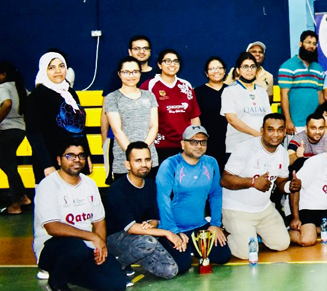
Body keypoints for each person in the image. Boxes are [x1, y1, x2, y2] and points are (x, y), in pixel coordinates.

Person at [33, 138, 129, 291]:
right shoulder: (48, 185)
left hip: (84, 249)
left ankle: (70, 273)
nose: (77, 160)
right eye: (70, 156)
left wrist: (101, 246)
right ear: (59, 159)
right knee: (74, 247)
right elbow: (52, 227)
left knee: (117, 284)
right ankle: (56, 283)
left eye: (81, 155)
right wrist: (92, 237)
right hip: (52, 248)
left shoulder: (89, 184)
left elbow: (99, 221)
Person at [220, 114, 300, 259]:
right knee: (248, 253)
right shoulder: (245, 148)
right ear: (262, 130)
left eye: (280, 130)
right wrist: (252, 182)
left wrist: (290, 186)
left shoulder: (282, 152)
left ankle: (250, 233)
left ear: (284, 132)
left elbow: (280, 182)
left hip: (264, 210)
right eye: (270, 129)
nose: (275, 134)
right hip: (238, 210)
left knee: (282, 244)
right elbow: (225, 180)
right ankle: (227, 233)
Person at [105, 142, 185, 279]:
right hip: (116, 238)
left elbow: (153, 218)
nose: (144, 164)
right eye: (138, 160)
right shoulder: (117, 189)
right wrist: (167, 233)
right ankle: (117, 264)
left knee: (170, 271)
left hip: (141, 236)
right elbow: (130, 228)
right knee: (148, 242)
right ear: (127, 164)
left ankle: (135, 256)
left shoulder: (150, 185)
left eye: (147, 160)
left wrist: (150, 225)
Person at [155, 125, 231, 267]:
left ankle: (191, 249)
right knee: (182, 265)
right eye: (194, 142)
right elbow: (163, 200)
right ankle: (166, 245)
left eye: (203, 142)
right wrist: (173, 232)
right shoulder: (170, 165)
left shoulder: (211, 162)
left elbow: (215, 194)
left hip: (198, 226)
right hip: (173, 227)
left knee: (223, 255)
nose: (199, 146)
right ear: (183, 144)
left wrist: (215, 224)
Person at [25, 52, 89, 182]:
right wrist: (47, 165)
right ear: (44, 70)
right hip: (50, 160)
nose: (58, 71)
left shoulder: (69, 92)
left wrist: (86, 156)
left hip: (73, 160)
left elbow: (79, 128)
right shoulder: (37, 96)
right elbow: (34, 134)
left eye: (61, 66)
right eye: (51, 67)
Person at [101, 36, 156, 178]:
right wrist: (133, 155)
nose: (131, 75)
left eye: (135, 72)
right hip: (123, 157)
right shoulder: (113, 97)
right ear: (119, 74)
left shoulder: (149, 95)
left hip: (150, 157)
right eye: (126, 72)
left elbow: (154, 126)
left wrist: (144, 154)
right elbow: (117, 130)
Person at [141, 50, 201, 163]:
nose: (172, 64)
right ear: (159, 65)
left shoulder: (186, 85)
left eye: (175, 61)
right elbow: (141, 117)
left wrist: (195, 140)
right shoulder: (149, 86)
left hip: (184, 146)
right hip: (159, 146)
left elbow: (194, 117)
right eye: (167, 61)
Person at [221, 52, 271, 156]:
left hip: (260, 147)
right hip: (238, 146)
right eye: (245, 67)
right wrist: (257, 134)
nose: (250, 70)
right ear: (238, 70)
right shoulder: (229, 91)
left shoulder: (262, 91)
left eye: (253, 66)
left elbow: (268, 118)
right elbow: (231, 119)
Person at [279, 31, 325, 134]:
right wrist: (288, 121)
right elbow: (283, 94)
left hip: (315, 125)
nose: (311, 46)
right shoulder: (287, 66)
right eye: (308, 42)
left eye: (314, 44)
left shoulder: (318, 68)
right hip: (295, 125)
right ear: (300, 44)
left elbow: (320, 95)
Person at [0, 60, 29, 214]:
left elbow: (7, 103)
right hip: (20, 130)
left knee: (9, 166)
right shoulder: (20, 88)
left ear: (3, 75)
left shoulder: (3, 87)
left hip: (6, 131)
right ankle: (23, 196)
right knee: (8, 164)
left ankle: (15, 205)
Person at [194, 57, 229, 164]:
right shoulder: (198, 92)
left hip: (229, 140)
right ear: (206, 73)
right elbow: (195, 117)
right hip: (208, 140)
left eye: (219, 68)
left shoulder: (232, 90)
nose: (216, 71)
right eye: (212, 69)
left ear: (224, 71)